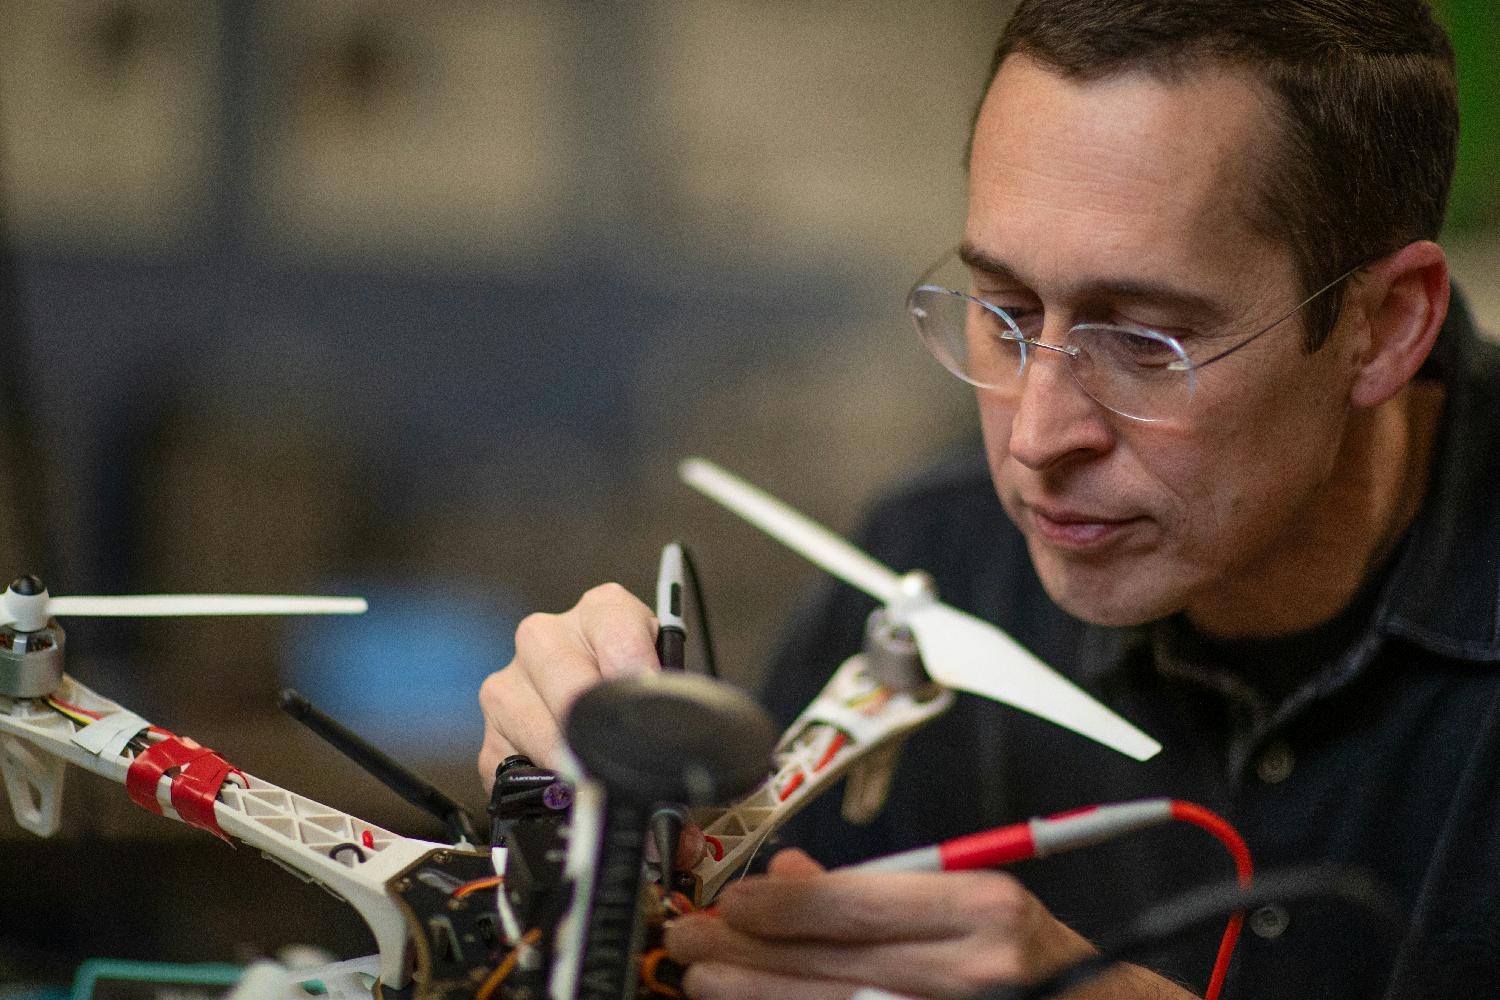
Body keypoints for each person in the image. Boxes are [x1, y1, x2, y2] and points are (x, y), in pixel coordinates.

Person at [479, 2, 1500, 997]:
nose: (1037, 436)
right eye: (1003, 311)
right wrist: (571, 815)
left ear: (1385, 324)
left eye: (1146, 341)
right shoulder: (934, 558)